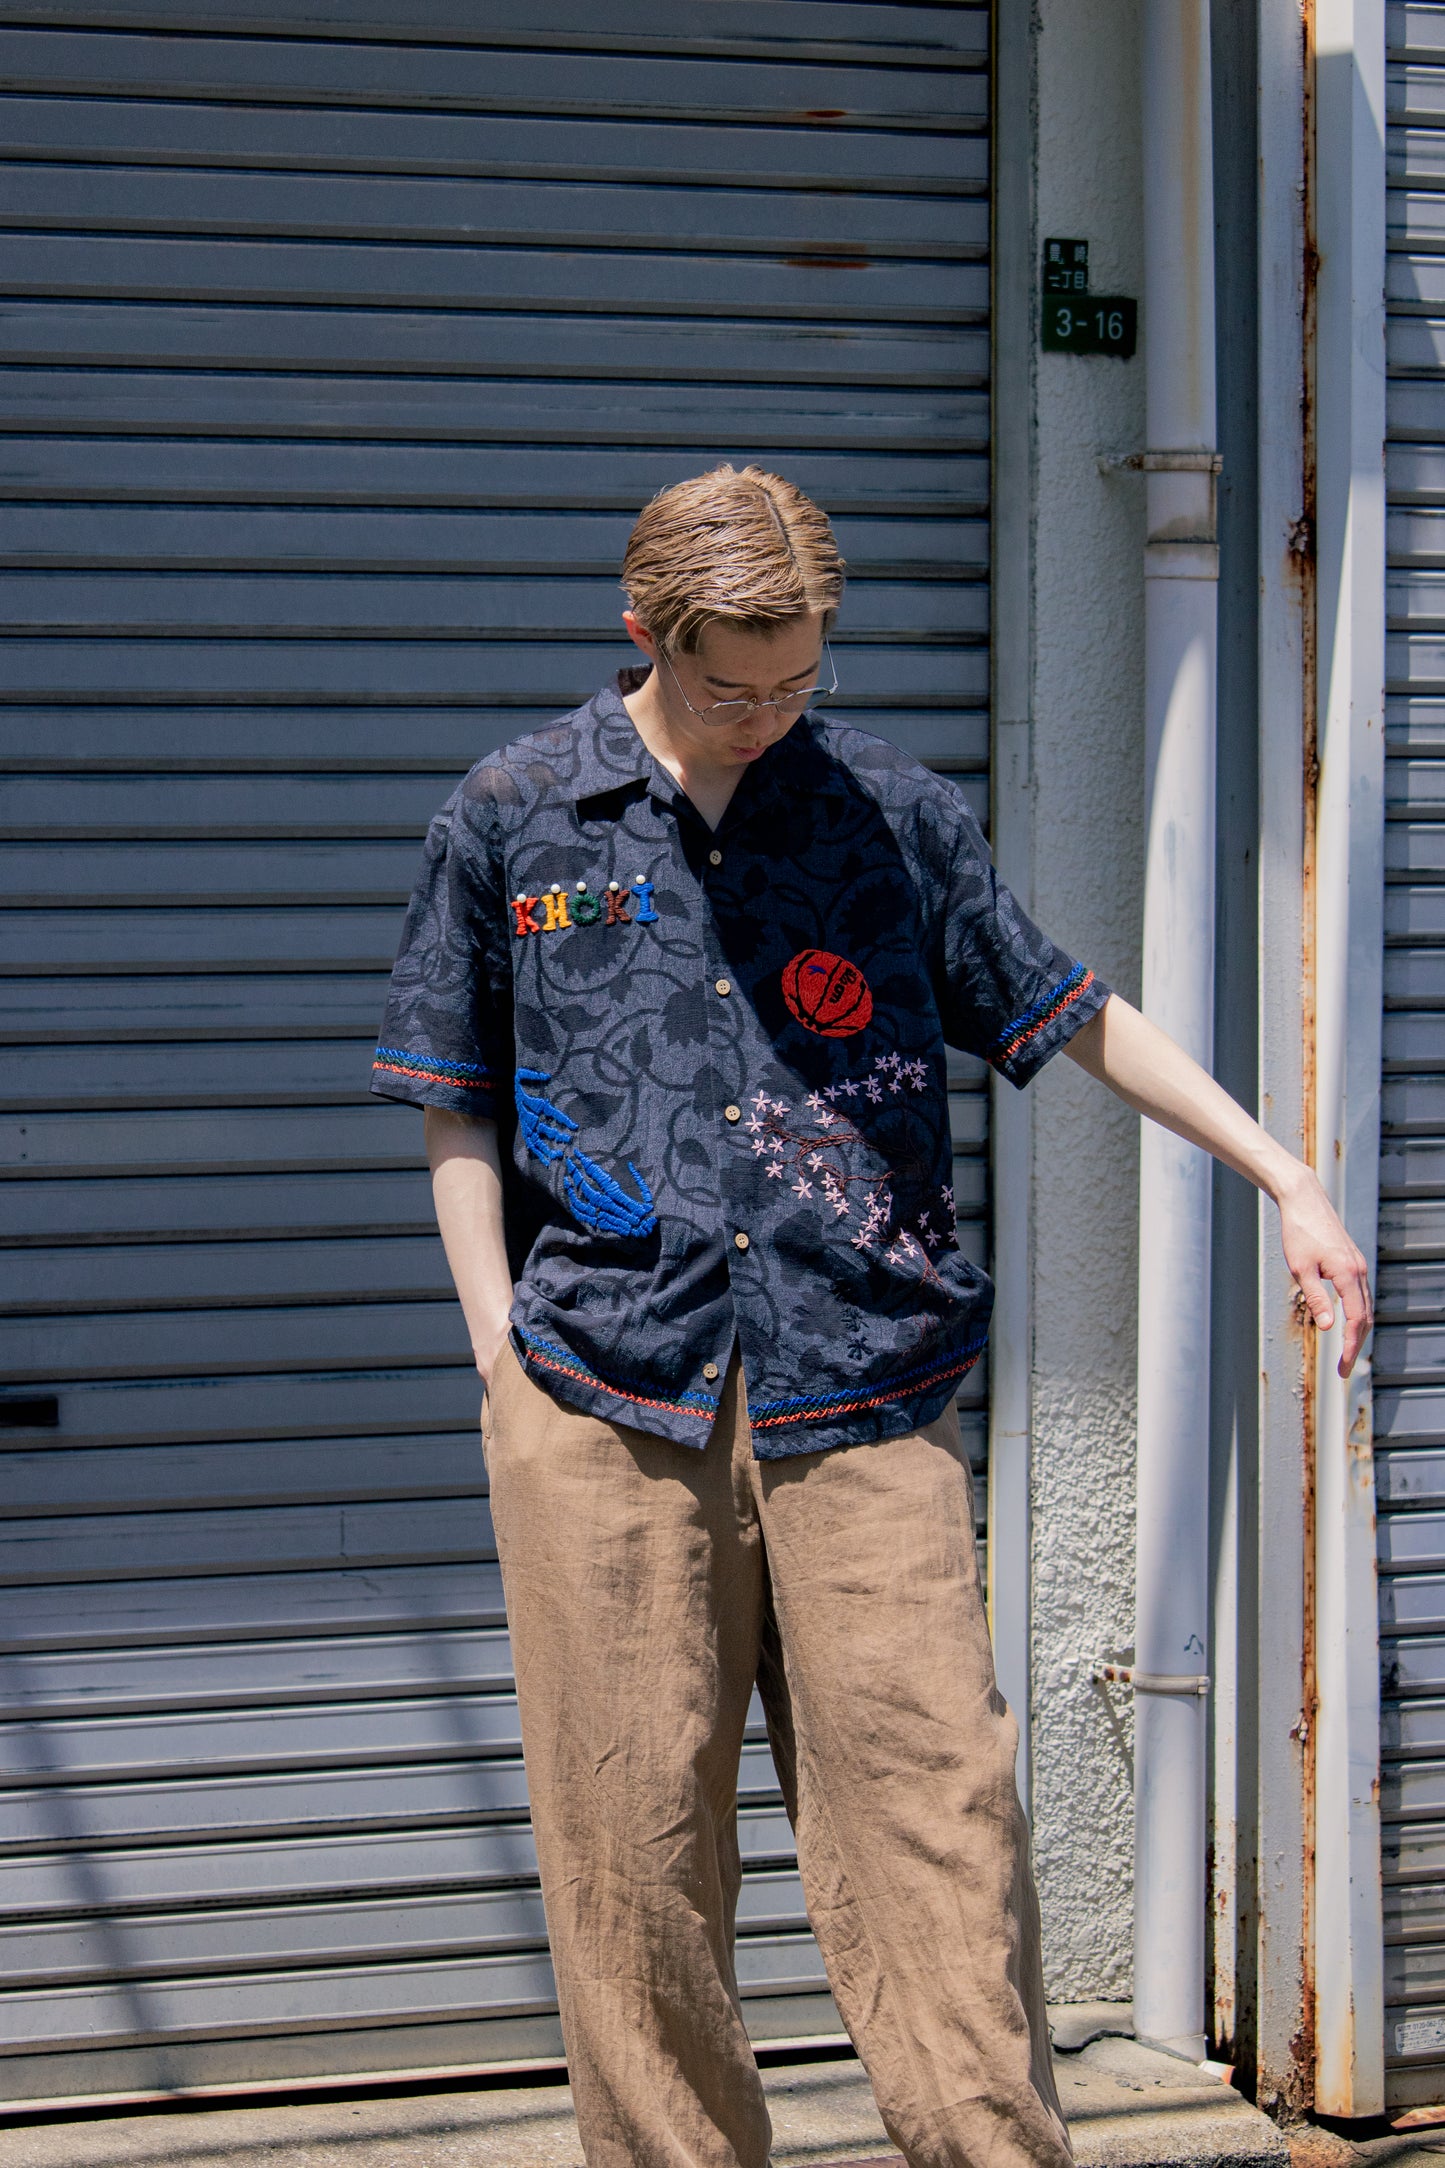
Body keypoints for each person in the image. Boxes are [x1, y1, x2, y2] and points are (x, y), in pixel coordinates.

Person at [371, 465, 1371, 2168]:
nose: (766, 716)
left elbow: (1064, 1006)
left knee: (941, 1834)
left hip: (865, 1391)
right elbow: (453, 1094)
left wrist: (1282, 1174)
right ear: (644, 632)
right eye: (730, 687)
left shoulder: (887, 811)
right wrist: (494, 1350)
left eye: (798, 680)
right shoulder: (515, 814)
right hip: (600, 1397)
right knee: (631, 1860)